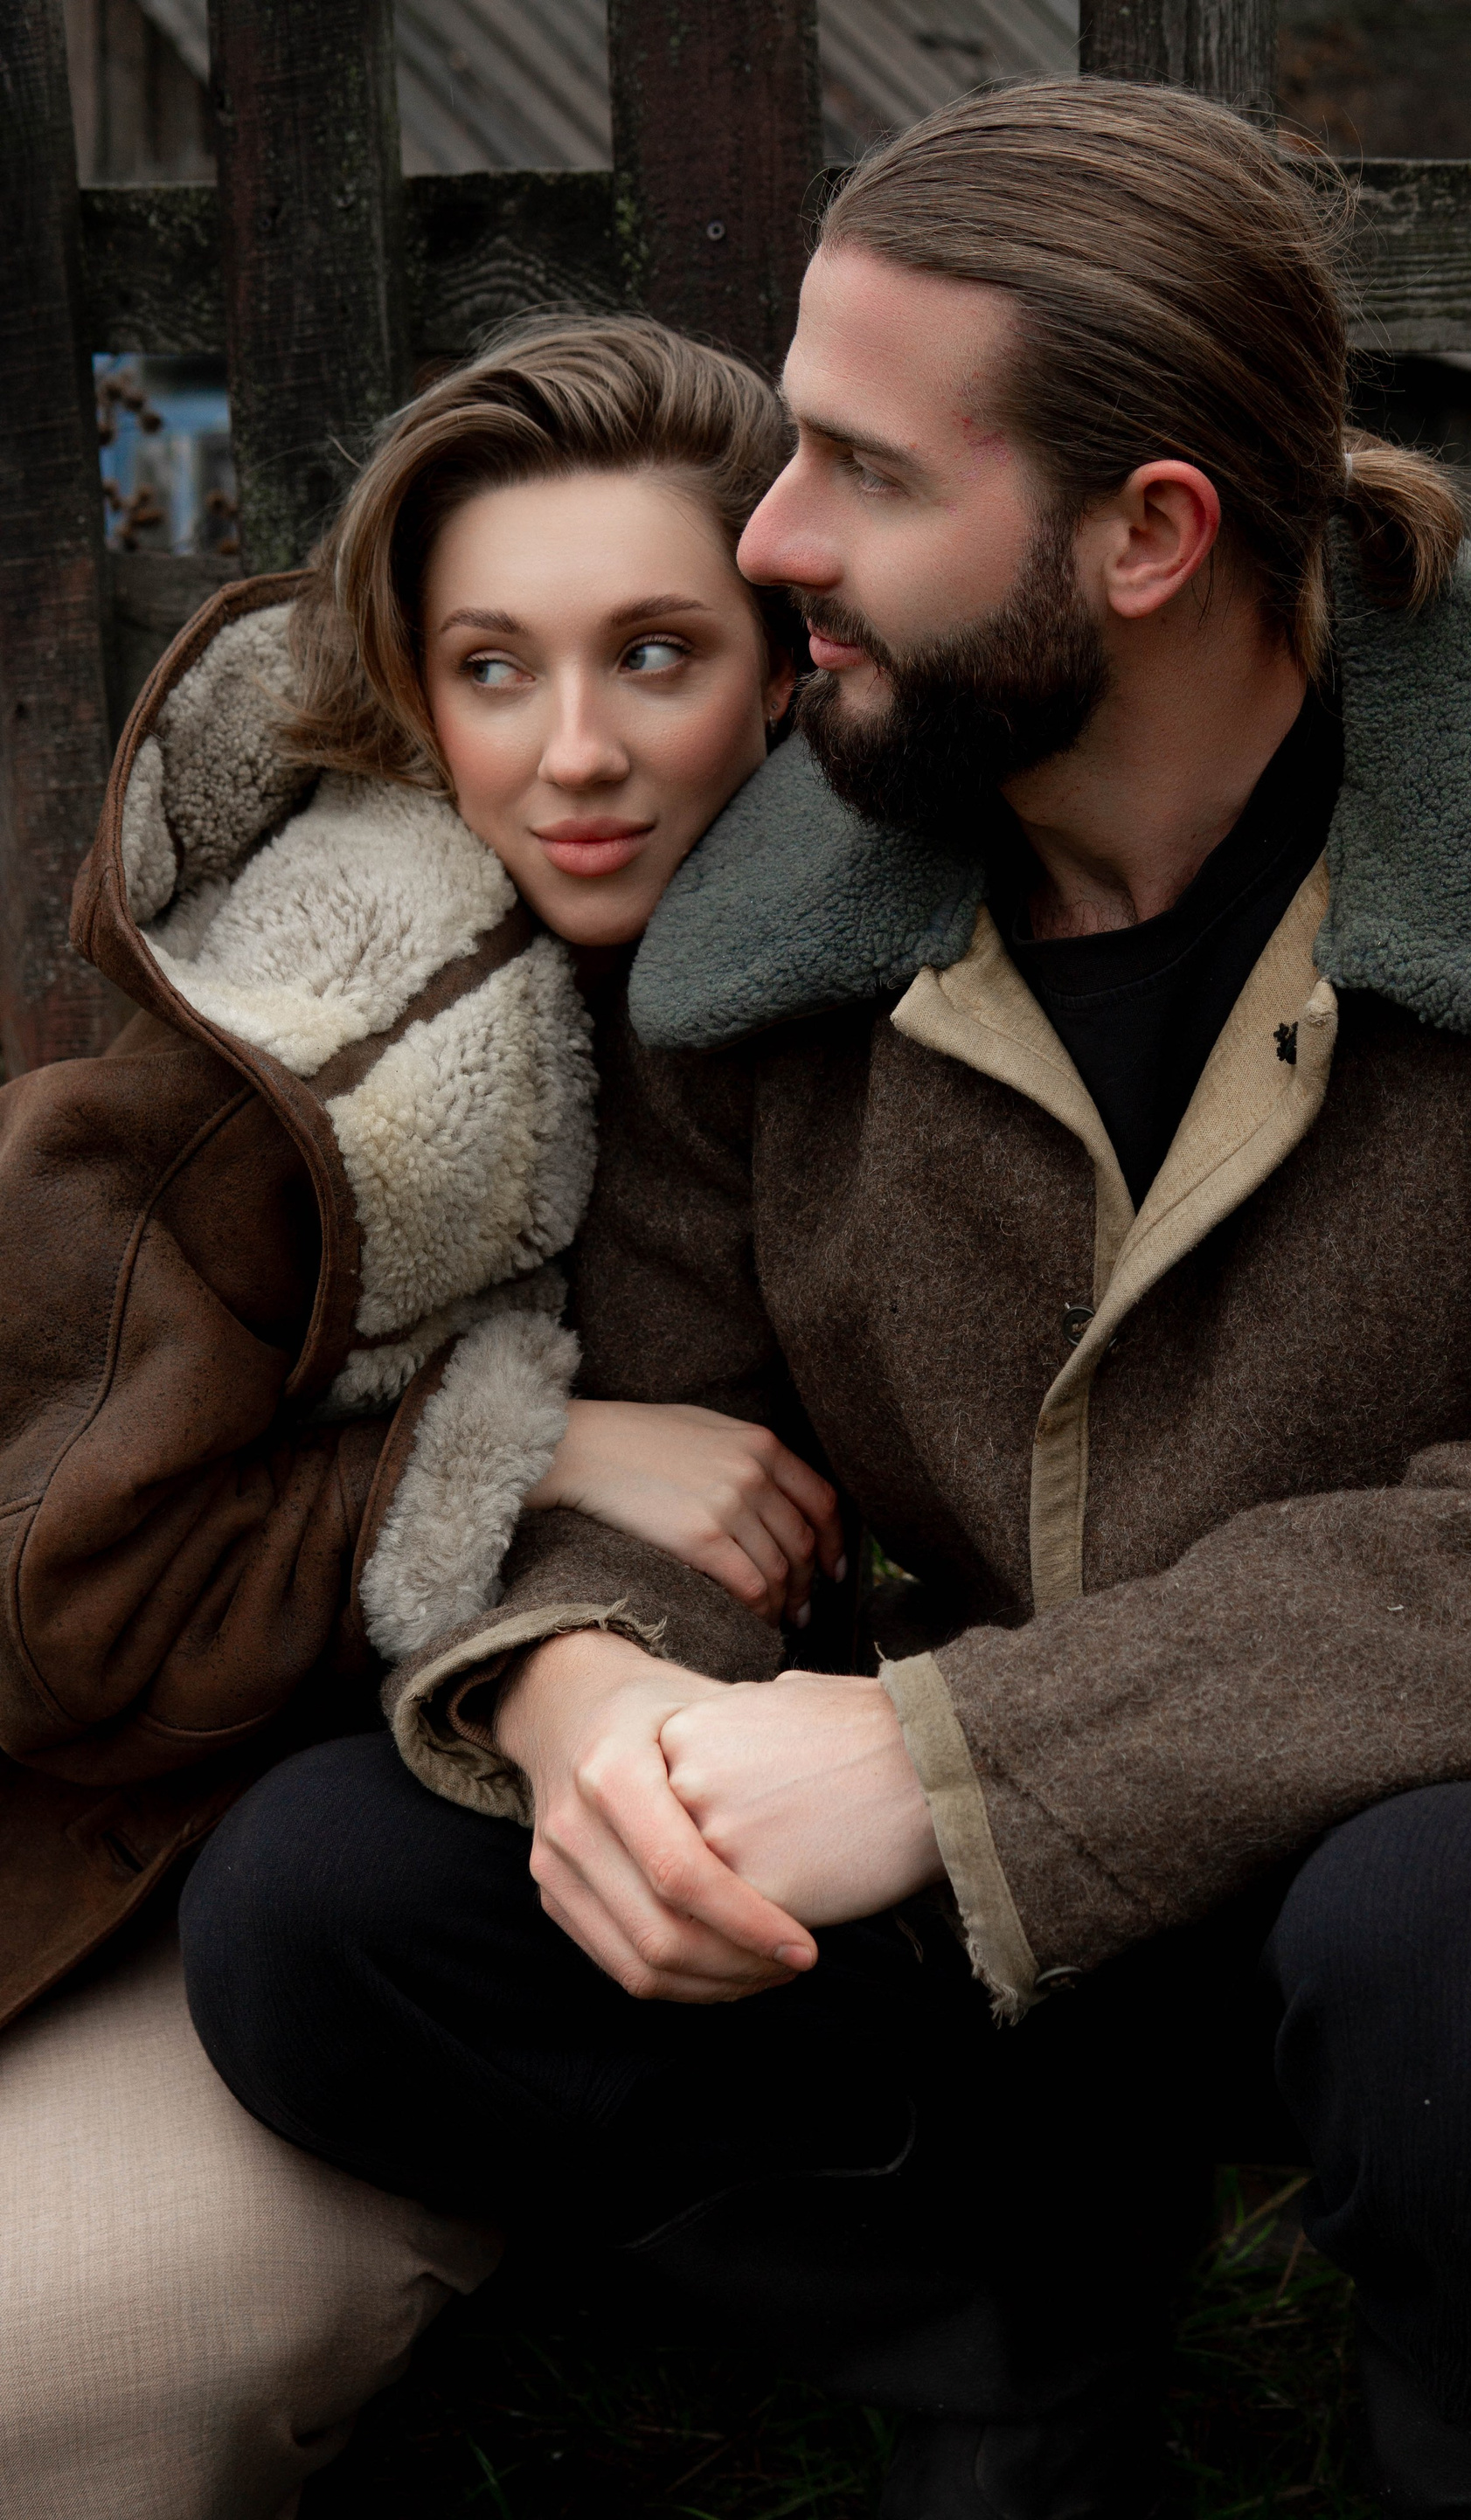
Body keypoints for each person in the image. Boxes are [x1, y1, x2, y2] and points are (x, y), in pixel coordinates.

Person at [184, 78, 1471, 2520]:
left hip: (1413, 1858)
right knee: (324, 1909)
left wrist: (954, 1755)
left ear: (1151, 533)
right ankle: (1008, 2336)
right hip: (969, 1923)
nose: (774, 534)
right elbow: (674, 1413)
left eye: (866, 474)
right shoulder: (783, 906)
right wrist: (581, 1680)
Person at [0, 315, 847, 2519]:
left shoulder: (887, 990)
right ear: (414, 692)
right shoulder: (308, 1041)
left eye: (654, 654)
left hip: (441, 1882)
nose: (574, 752)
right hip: (118, 1854)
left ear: (784, 669)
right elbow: (48, 1588)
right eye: (493, 668)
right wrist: (507, 1444)